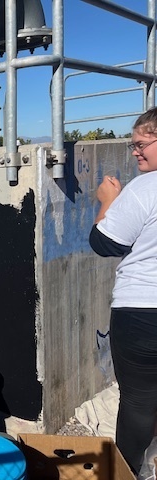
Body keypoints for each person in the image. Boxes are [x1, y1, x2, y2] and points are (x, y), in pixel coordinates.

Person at [89, 107, 157, 473]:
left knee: (139, 401)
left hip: (143, 311)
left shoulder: (145, 187)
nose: (134, 152)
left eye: (141, 144)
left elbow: (104, 242)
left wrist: (107, 201)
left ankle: (128, 471)